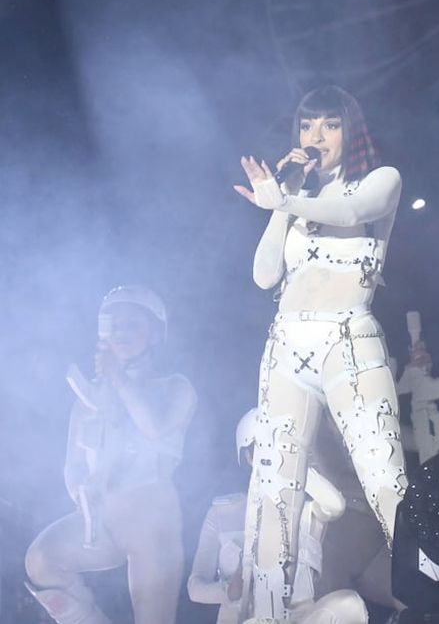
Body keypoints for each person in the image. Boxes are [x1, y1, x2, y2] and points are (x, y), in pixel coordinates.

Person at [233, 84, 406, 621]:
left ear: (349, 130)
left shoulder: (381, 180)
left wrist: (285, 198)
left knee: (385, 480)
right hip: (287, 341)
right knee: (273, 486)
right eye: (307, 127)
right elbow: (265, 276)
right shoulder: (296, 193)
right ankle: (266, 613)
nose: (316, 137)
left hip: (348, 337)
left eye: (329, 125)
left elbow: (354, 211)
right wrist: (283, 201)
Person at [24, 286, 197, 624]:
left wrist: (117, 379)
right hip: (102, 517)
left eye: (133, 325)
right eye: (115, 326)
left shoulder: (174, 387)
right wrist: (81, 495)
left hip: (152, 518)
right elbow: (72, 464)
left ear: (154, 334)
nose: (123, 333)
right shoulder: (87, 399)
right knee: (41, 560)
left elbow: (154, 428)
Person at [188, 409, 366, 624]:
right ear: (248, 456)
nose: (272, 456)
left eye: (280, 449)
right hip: (244, 617)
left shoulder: (309, 511)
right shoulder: (222, 512)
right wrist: (229, 591)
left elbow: (336, 505)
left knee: (349, 605)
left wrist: (294, 466)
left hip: (301, 617)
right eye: (263, 448)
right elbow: (194, 587)